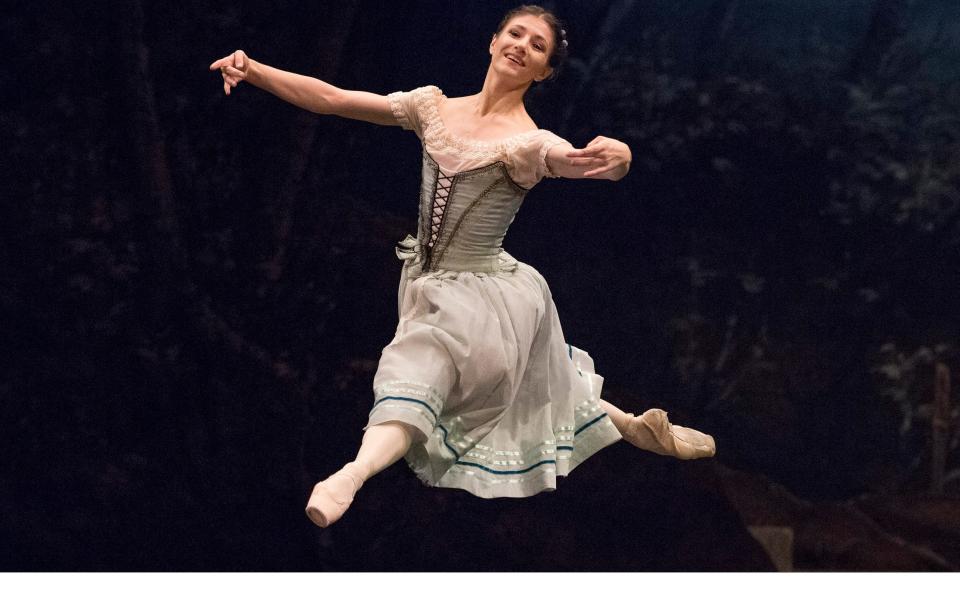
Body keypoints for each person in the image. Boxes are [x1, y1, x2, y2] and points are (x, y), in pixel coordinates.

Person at [210, 4, 716, 529]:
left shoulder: (530, 142)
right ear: (493, 41)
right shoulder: (432, 108)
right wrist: (254, 70)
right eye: (515, 33)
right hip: (429, 277)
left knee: (416, 372)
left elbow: (574, 161)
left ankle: (350, 475)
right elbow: (335, 99)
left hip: (480, 294)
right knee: (546, 376)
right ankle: (631, 425)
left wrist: (621, 156)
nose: (521, 45)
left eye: (537, 46)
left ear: (543, 72)